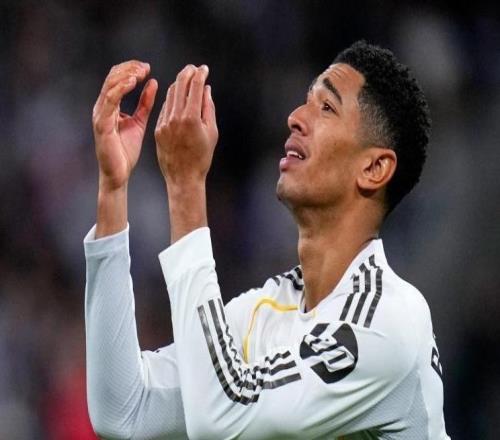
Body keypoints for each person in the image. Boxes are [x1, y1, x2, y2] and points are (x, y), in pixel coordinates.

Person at [84, 41, 450, 439]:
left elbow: (219, 420)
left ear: (374, 167)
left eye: (327, 107)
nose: (295, 117)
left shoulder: (389, 321)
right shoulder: (266, 312)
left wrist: (186, 186)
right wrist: (113, 190)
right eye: (306, 101)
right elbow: (124, 410)